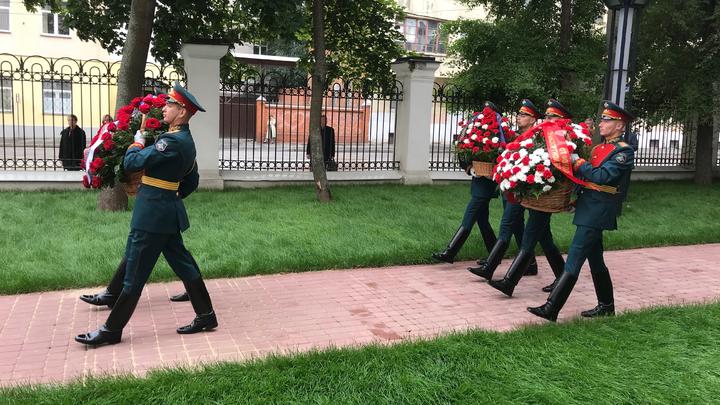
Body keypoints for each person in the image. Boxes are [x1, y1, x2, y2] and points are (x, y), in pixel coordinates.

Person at [75, 82, 217, 346]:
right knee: (183, 264)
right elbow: (191, 180)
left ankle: (111, 330)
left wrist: (137, 141)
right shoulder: (183, 140)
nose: (164, 108)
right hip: (163, 213)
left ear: (183, 112)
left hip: (153, 216)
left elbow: (131, 163)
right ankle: (206, 315)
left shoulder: (171, 141)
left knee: (135, 275)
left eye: (170, 105)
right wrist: (172, 195)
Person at [528, 101, 635, 321]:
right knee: (596, 260)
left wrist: (577, 161)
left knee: (574, 257)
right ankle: (606, 306)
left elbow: (602, 178)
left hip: (599, 211)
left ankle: (551, 307)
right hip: (588, 207)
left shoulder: (623, 152)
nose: (602, 123)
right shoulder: (598, 149)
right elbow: (588, 182)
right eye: (602, 119)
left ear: (619, 125)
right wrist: (575, 201)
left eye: (607, 120)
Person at [467, 99, 565, 283]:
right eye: (519, 114)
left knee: (544, 237)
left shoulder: (539, 140)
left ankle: (560, 277)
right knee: (508, 226)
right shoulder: (517, 138)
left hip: (534, 193)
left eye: (524, 115)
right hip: (517, 192)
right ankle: (491, 268)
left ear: (533, 119)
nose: (519, 117)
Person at [431, 101, 501, 264]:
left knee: (470, 214)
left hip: (487, 181)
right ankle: (494, 255)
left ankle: (450, 251)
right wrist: (470, 168)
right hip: (478, 179)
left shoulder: (498, 133)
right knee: (482, 219)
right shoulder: (477, 130)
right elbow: (463, 149)